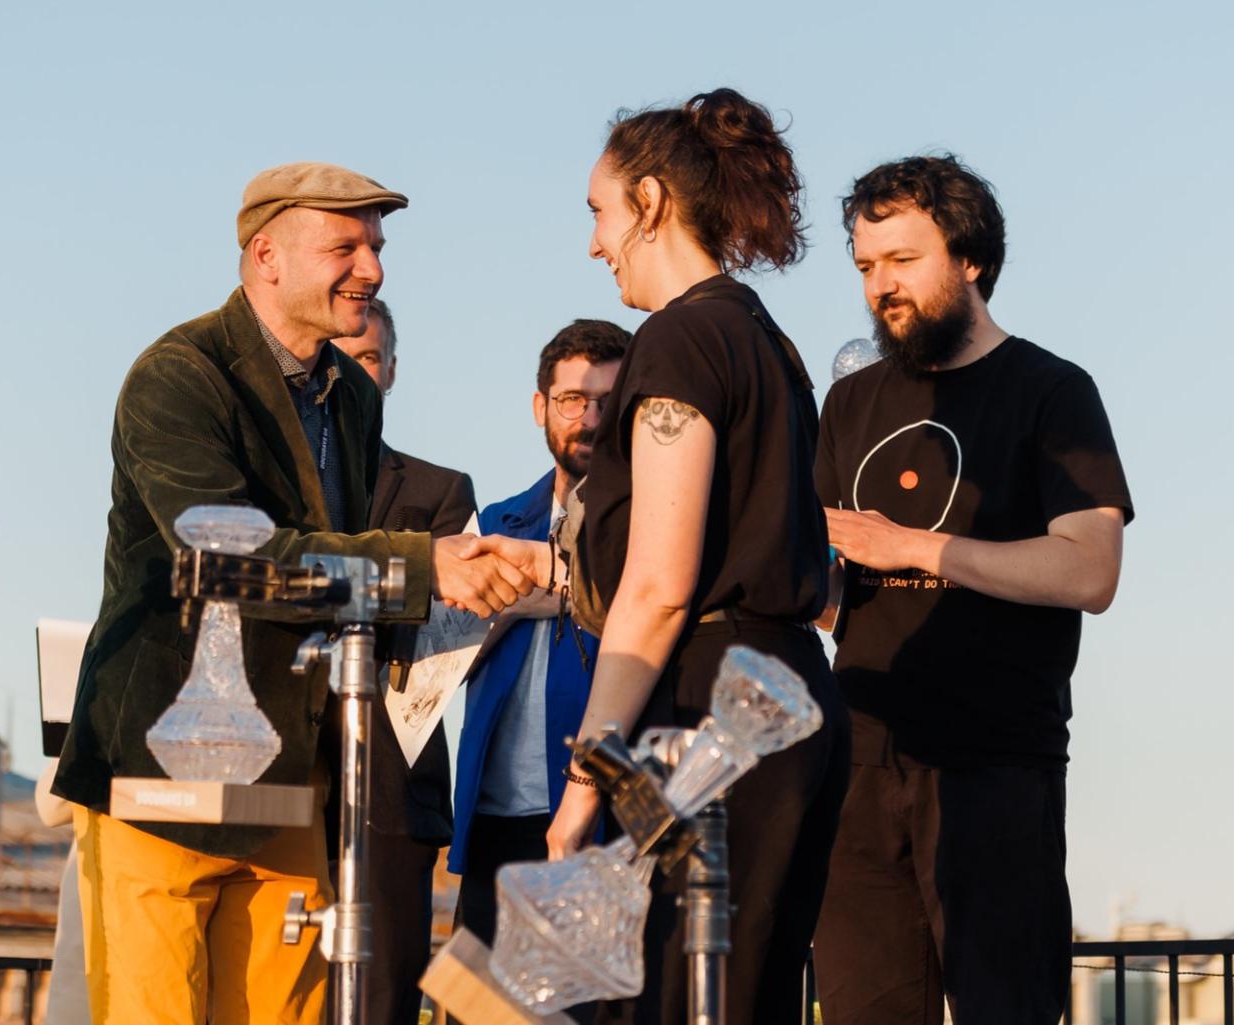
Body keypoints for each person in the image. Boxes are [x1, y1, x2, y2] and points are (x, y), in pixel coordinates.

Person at [51, 162, 532, 1025]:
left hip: (286, 781)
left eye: (377, 246)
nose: (373, 268)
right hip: (162, 780)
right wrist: (425, 566)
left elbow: (336, 579)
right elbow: (233, 556)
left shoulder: (351, 395)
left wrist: (489, 590)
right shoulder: (177, 375)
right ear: (265, 255)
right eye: (344, 246)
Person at [476, 88, 849, 1025]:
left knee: (676, 1000)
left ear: (647, 201)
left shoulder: (680, 338)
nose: (594, 244)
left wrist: (582, 781)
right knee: (740, 994)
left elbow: (659, 582)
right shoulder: (767, 338)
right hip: (790, 701)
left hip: (710, 716)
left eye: (598, 213)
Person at [810, 155, 1132, 1025]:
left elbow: (1090, 568)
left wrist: (915, 545)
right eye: (866, 267)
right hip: (862, 766)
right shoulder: (847, 406)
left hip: (995, 761)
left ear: (969, 259)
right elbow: (839, 594)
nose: (881, 286)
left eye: (903, 261)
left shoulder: (1051, 391)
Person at [450, 318, 629, 948]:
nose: (589, 418)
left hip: (597, 817)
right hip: (493, 818)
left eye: (608, 402)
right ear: (540, 408)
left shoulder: (653, 528)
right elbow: (439, 649)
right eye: (572, 400)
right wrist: (518, 605)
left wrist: (550, 593)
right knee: (474, 1012)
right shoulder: (498, 520)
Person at [327, 298, 476, 1025]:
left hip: (391, 779)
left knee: (382, 997)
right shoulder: (277, 491)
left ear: (389, 371)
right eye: (341, 356)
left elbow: (450, 625)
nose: (356, 372)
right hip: (280, 778)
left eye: (369, 358)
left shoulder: (439, 491)